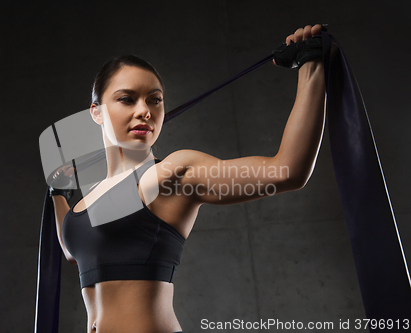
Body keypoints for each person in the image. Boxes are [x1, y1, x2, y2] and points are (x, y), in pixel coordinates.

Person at [50, 24, 326, 333]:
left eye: (154, 100)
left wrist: (311, 64)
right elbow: (73, 251)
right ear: (96, 112)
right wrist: (58, 194)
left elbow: (287, 171)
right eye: (127, 99)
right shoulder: (89, 199)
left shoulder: (169, 176)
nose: (144, 110)